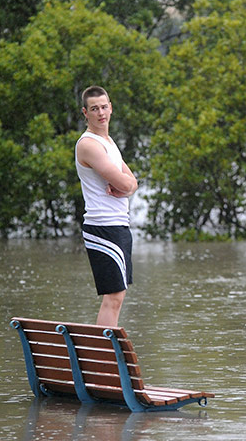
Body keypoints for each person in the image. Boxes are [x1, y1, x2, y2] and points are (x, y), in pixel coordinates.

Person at [75, 86, 138, 327]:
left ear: (111, 108)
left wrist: (127, 186)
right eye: (94, 109)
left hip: (118, 225)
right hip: (103, 227)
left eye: (104, 107)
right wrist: (126, 185)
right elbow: (124, 181)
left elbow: (132, 182)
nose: (101, 113)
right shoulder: (88, 144)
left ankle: (104, 355)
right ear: (85, 112)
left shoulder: (108, 141)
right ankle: (104, 358)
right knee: (113, 297)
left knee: (118, 296)